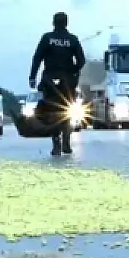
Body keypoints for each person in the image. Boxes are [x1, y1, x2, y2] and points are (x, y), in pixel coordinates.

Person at [28, 12, 85, 156]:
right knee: (67, 110)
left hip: (50, 82)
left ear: (53, 23)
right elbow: (81, 60)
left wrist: (32, 77)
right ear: (67, 23)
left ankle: (56, 144)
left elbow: (37, 58)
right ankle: (66, 140)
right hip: (67, 82)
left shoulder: (47, 38)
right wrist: (73, 71)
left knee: (51, 113)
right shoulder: (72, 39)